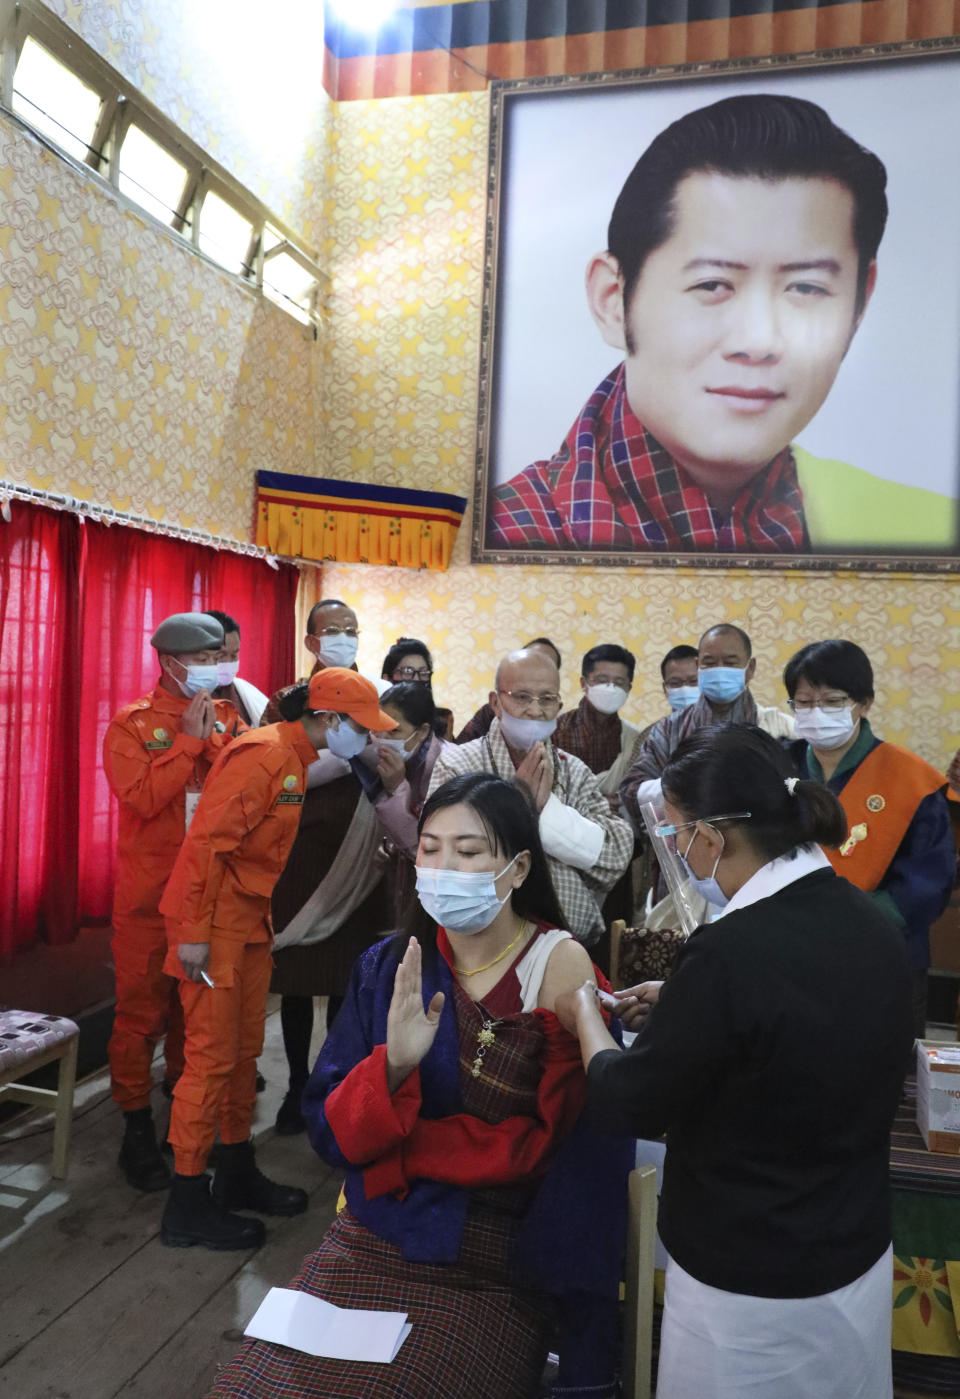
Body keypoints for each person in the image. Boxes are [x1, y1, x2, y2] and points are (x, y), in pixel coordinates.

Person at [205, 773, 633, 1399]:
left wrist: (586, 1345)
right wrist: (392, 1069)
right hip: (377, 1235)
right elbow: (328, 1131)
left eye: (467, 852)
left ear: (517, 870)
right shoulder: (389, 968)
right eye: (430, 848)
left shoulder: (561, 970)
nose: (443, 867)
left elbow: (592, 1165)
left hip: (502, 1259)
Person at [556, 725, 913, 1399]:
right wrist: (685, 1004)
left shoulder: (729, 952)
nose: (682, 852)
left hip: (751, 1278)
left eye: (682, 834)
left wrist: (584, 1019)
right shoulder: (866, 921)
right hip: (852, 1244)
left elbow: (633, 1099)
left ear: (714, 838)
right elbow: (801, 1027)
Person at [489, 93, 953, 556]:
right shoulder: (502, 533)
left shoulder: (927, 525)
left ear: (859, 304)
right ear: (613, 300)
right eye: (712, 285)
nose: (759, 340)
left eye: (806, 289)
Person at [158, 669, 398, 1250]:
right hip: (212, 930)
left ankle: (236, 1168)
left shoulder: (294, 758)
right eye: (361, 729)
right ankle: (187, 1200)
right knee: (210, 1061)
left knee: (242, 1057)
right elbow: (204, 846)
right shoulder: (263, 757)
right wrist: (193, 935)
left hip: (249, 926)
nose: (366, 742)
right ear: (329, 720)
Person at [102, 611, 245, 1192]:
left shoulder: (230, 718)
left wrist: (213, 743)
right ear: (170, 663)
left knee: (194, 1015)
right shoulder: (131, 725)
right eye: (206, 659)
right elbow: (142, 798)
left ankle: (182, 1125)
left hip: (204, 898)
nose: (218, 668)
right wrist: (188, 741)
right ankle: (135, 1127)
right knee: (140, 1016)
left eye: (220, 658)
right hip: (146, 899)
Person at [266, 597, 396, 1136]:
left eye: (351, 629)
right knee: (296, 981)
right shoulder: (290, 701)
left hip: (363, 854)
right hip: (300, 854)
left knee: (350, 979)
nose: (343, 637)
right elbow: (272, 765)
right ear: (311, 642)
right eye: (331, 630)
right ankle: (297, 1085)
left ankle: (338, 1082)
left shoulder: (379, 699)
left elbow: (397, 762)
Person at [783, 639, 955, 1039]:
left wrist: (841, 920)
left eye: (830, 701)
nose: (814, 713)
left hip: (880, 956)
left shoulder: (913, 781)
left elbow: (927, 884)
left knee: (877, 1079)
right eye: (803, 702)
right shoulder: (778, 765)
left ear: (864, 703)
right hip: (787, 951)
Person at [431, 647, 633, 946]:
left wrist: (547, 812)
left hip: (568, 943)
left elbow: (615, 856)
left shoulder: (574, 771)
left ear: (559, 705)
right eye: (522, 697)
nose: (536, 710)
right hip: (480, 942)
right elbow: (447, 854)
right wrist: (520, 804)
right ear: (496, 703)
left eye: (547, 699)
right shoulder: (459, 765)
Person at [620, 621, 794, 829]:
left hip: (765, 847)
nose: (719, 670)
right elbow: (631, 791)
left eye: (730, 663)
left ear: (751, 668)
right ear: (698, 664)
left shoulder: (781, 728)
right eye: (709, 663)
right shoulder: (668, 729)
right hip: (684, 849)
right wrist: (684, 787)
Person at [363, 681, 446, 921]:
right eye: (379, 728)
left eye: (394, 731)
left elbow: (425, 847)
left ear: (421, 731)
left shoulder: (446, 767)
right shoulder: (400, 761)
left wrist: (397, 789)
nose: (382, 738)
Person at [455, 636, 562, 744]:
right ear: (495, 703)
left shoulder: (558, 725)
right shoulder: (491, 712)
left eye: (546, 664)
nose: (534, 711)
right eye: (522, 697)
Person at [380, 634, 453, 739]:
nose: (416, 679)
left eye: (423, 672)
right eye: (407, 671)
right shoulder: (372, 717)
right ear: (386, 678)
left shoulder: (442, 719)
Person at [206, 608, 269, 727]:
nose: (228, 662)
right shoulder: (185, 695)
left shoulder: (247, 692)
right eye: (220, 655)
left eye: (234, 655)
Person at [660, 643, 700, 716]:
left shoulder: (725, 726)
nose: (685, 689)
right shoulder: (658, 727)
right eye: (675, 683)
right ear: (665, 689)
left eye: (693, 681)